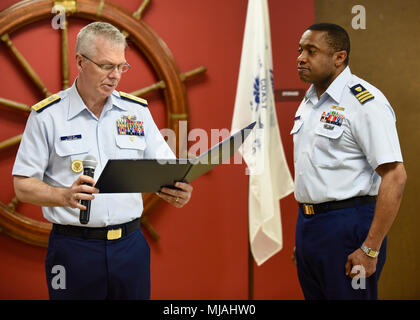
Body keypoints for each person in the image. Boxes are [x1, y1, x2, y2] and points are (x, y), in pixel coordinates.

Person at [12, 22, 193, 300]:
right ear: (81, 62)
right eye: (107, 66)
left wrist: (176, 189)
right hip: (73, 250)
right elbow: (23, 185)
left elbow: (164, 170)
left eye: (122, 66)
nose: (116, 76)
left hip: (130, 247)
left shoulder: (136, 113)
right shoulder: (47, 116)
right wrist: (63, 195)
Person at [291, 23, 406, 300]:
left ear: (339, 57)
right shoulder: (309, 101)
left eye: (311, 51)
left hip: (349, 226)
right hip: (310, 226)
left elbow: (395, 176)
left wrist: (370, 249)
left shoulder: (365, 102)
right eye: (300, 50)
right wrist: (308, 234)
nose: (300, 57)